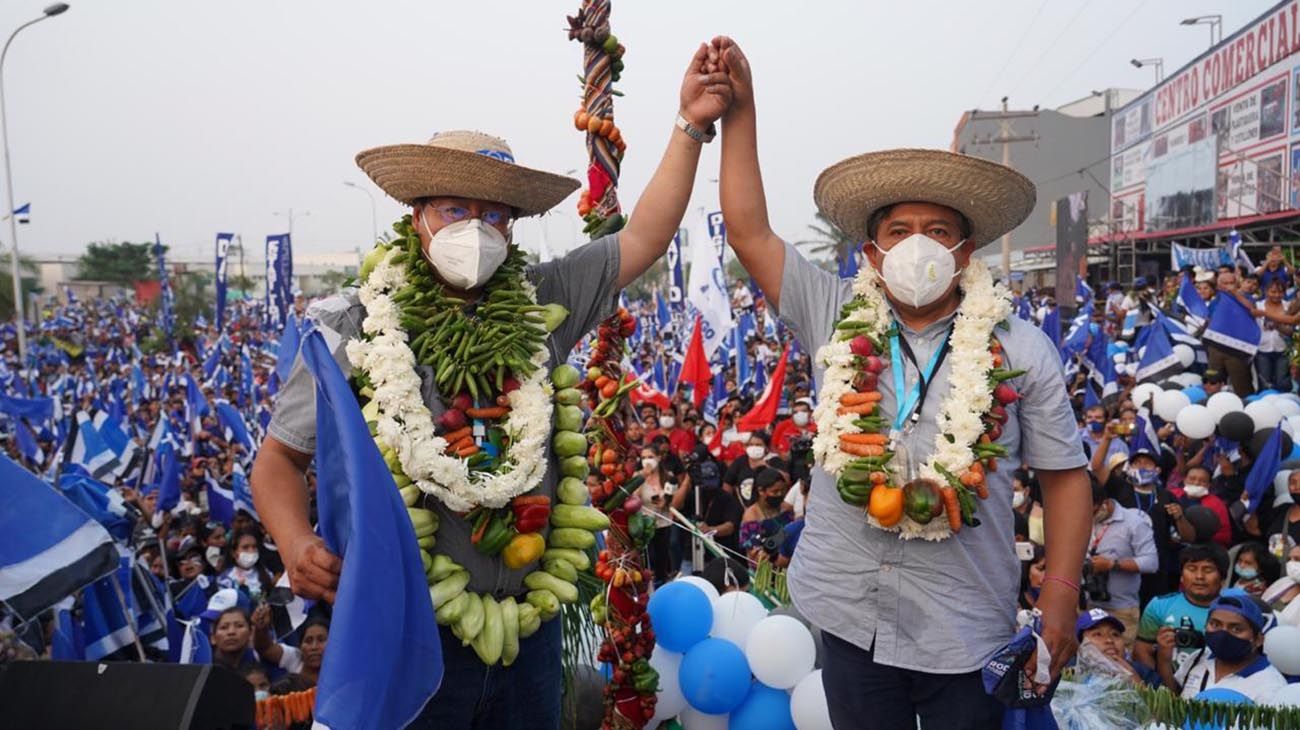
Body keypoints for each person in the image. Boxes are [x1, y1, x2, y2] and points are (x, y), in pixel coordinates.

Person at [251, 41, 735, 728]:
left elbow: (646, 237)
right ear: (416, 214)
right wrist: (296, 544)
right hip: (409, 633)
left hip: (526, 635)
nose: (474, 229)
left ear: (513, 225)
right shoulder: (353, 325)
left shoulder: (544, 304)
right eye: (454, 209)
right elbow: (277, 461)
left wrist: (690, 126)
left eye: (494, 213)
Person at [714, 37, 1092, 728]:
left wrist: (1062, 592)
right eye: (900, 230)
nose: (918, 243)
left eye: (937, 229)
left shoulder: (1021, 349)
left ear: (964, 251)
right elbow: (749, 232)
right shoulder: (835, 315)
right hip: (848, 612)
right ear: (873, 252)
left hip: (963, 625)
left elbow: (1065, 477)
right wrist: (741, 110)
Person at [1160, 594, 1287, 703]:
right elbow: (1175, 697)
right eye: (1215, 624)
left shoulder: (1271, 687)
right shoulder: (1198, 658)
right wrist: (1164, 661)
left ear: (1258, 639)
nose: (1223, 633)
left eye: (1236, 629)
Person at [1133, 543, 1229, 676]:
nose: (1199, 576)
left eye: (1208, 570)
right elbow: (1142, 650)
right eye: (1192, 569)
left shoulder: (1233, 611)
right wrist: (1156, 685)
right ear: (1181, 576)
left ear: (1223, 578)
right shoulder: (1159, 605)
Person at [1087, 480, 1158, 646]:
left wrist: (1112, 565)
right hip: (1087, 606)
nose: (1088, 516)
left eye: (1092, 511)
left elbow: (1151, 562)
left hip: (1121, 609)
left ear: (1103, 504)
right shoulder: (1082, 519)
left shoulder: (1134, 522)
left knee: (1119, 663)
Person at [1074, 608, 1160, 687]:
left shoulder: (1143, 673)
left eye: (1115, 634)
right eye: (1098, 634)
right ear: (1081, 645)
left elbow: (1164, 702)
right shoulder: (1068, 672)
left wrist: (1136, 682)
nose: (1109, 640)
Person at [635, 446, 676, 585]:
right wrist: (643, 477)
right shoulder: (637, 476)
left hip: (663, 524)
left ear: (658, 458)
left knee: (662, 561)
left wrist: (664, 502)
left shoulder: (669, 477)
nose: (647, 460)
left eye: (650, 457)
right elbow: (633, 499)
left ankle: (662, 583)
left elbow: (673, 500)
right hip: (645, 525)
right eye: (644, 457)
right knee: (648, 560)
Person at [740, 468, 794, 563]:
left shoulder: (786, 508)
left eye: (782, 490)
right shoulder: (751, 516)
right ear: (761, 491)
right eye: (775, 491)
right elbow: (753, 554)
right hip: (766, 568)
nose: (779, 494)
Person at [271, 617, 329, 694]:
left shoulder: (341, 674)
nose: (314, 647)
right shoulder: (294, 660)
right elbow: (265, 648)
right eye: (308, 641)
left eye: (321, 640)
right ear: (300, 646)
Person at [722, 432, 771, 504]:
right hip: (741, 507)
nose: (754, 447)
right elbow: (728, 483)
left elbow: (784, 480)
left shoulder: (772, 460)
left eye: (758, 445)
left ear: (766, 447)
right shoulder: (740, 461)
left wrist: (768, 467)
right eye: (751, 444)